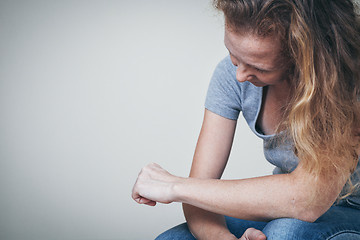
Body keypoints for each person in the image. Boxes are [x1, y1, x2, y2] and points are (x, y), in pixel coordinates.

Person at [132, 0, 360, 239]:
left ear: (302, 55)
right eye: (233, 54)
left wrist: (175, 186)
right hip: (286, 207)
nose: (240, 75)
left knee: (285, 233)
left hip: (350, 212)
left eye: (259, 67)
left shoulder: (348, 84)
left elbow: (307, 201)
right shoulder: (231, 75)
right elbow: (199, 195)